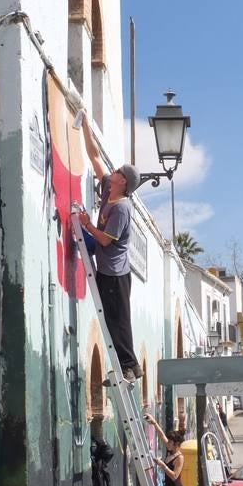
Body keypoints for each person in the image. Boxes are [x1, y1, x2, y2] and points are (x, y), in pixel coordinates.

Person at [76, 117, 142, 382]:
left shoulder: (122, 208)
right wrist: (85, 127)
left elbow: (105, 240)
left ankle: (129, 366)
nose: (113, 172)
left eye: (118, 172)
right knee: (113, 319)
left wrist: (87, 224)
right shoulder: (108, 191)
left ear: (123, 181)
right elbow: (94, 157)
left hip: (115, 274)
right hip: (107, 267)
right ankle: (130, 366)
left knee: (117, 321)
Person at [145, 413, 189, 486]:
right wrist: (154, 423)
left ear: (176, 444)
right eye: (168, 441)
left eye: (170, 442)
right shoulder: (170, 451)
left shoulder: (179, 457)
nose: (167, 443)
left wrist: (163, 465)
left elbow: (174, 476)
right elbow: (162, 436)